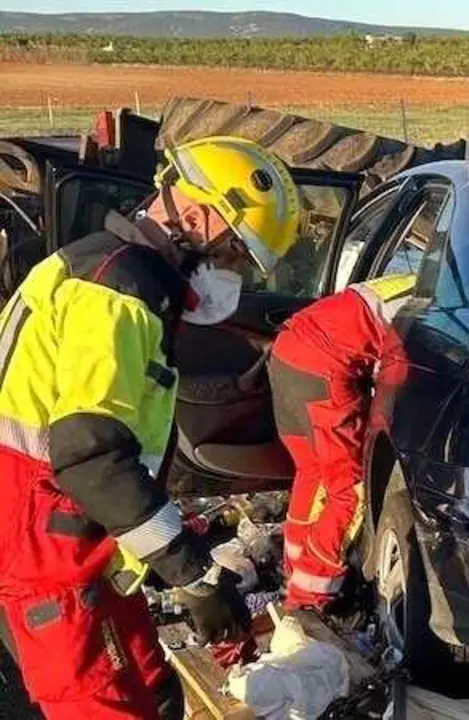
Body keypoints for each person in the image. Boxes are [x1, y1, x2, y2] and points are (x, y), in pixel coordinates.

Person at [0, 136, 302, 719]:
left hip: (76, 528)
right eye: (235, 252)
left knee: (151, 686)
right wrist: (191, 572)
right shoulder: (119, 292)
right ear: (198, 216)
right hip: (47, 539)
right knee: (101, 703)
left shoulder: (105, 266)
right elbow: (89, 453)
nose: (233, 270)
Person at [268, 272, 417, 611]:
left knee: (313, 473)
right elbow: (400, 376)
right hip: (325, 368)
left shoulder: (412, 278)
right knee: (349, 491)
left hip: (288, 354)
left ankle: (294, 570)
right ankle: (308, 600)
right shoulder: (441, 301)